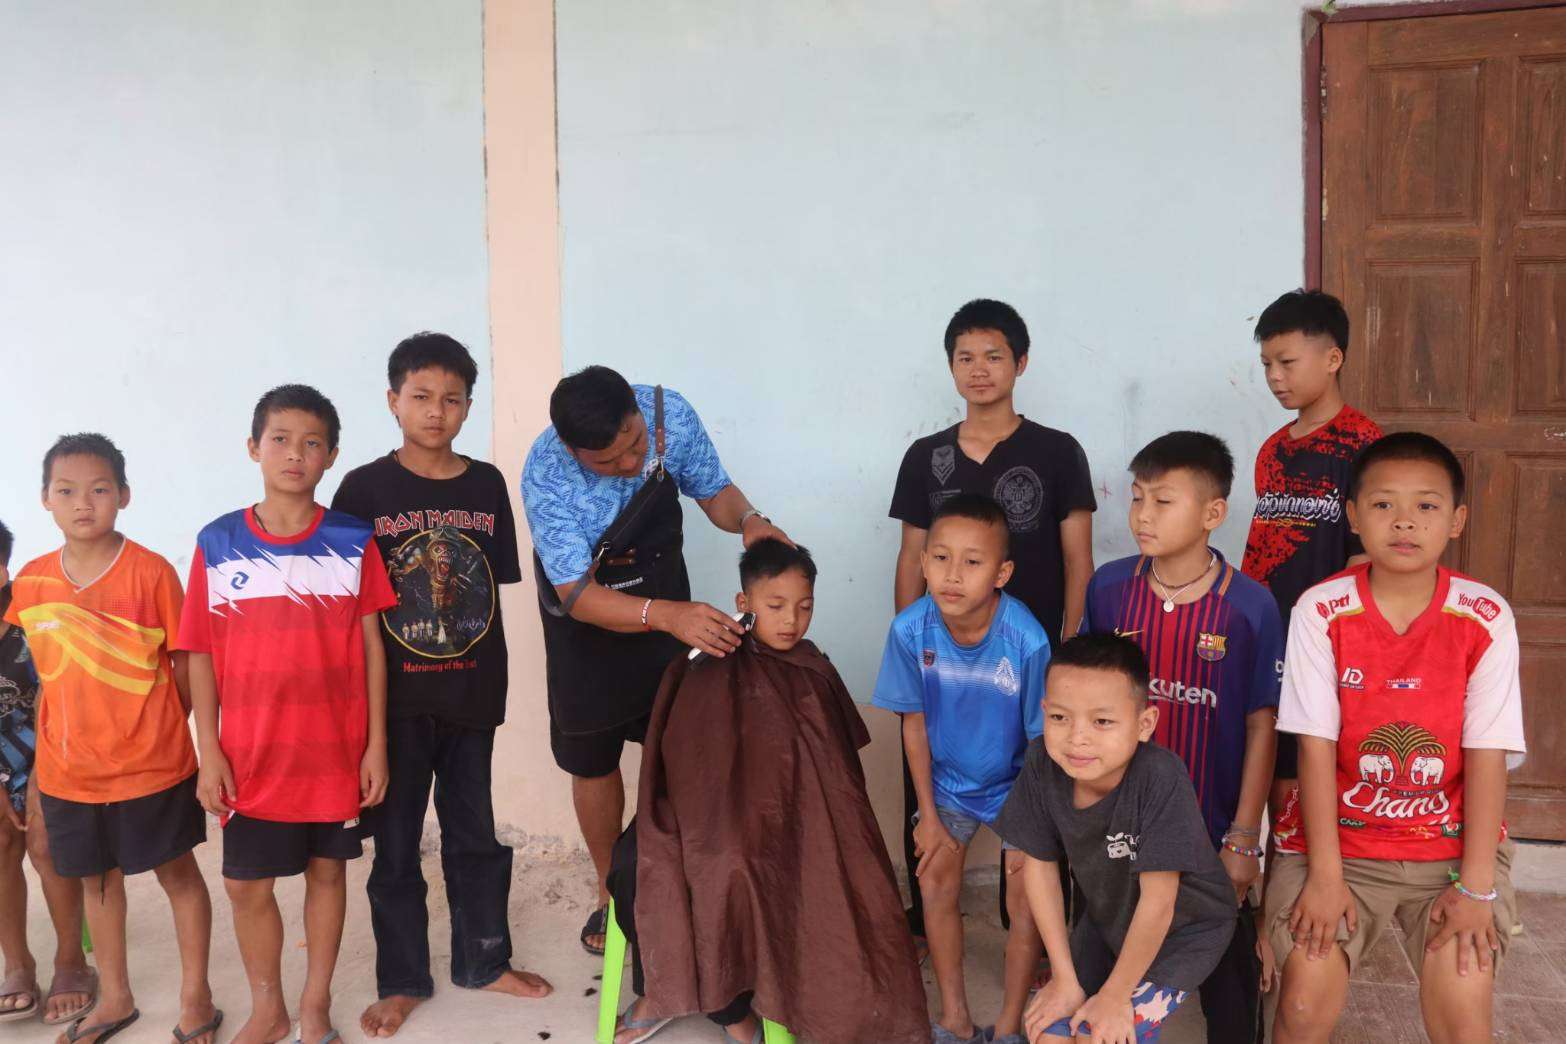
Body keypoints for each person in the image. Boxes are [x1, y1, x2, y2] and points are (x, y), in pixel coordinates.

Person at [608, 539, 929, 1044]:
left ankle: (743, 1002)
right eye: (775, 606)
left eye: (805, 607)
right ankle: (713, 1006)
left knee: (741, 870)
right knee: (635, 866)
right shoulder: (706, 660)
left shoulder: (812, 669)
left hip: (792, 821)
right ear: (744, 603)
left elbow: (835, 778)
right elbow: (684, 758)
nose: (791, 621)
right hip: (698, 811)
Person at [520, 365, 792, 955]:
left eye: (635, 446)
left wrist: (749, 521)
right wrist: (668, 615)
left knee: (678, 749)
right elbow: (576, 594)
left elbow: (714, 490)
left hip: (666, 603)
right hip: (587, 626)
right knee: (592, 760)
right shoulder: (545, 473)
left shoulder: (670, 417)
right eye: (607, 462)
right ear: (571, 450)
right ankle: (609, 888)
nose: (628, 466)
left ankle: (675, 877)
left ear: (638, 415)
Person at [1266, 432, 1527, 1044]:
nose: (1404, 522)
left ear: (1457, 520)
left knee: (1466, 1014)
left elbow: (1487, 756)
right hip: (1338, 846)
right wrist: (1326, 879)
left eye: (1427, 506)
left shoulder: (1484, 616)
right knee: (1303, 1004)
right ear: (1354, 517)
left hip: (1450, 849)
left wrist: (1477, 885)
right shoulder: (1320, 610)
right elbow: (1315, 748)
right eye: (1383, 505)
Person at [330, 333, 552, 1038]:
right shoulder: (363, 490)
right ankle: (401, 980)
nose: (436, 412)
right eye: (421, 397)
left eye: (452, 400)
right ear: (393, 401)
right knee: (395, 846)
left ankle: (485, 961)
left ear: (467, 407)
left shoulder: (485, 484)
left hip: (471, 692)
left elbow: (488, 585)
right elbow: (344, 601)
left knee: (474, 836)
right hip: (391, 704)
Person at [177, 386, 397, 1044]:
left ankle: (314, 1007)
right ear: (253, 448)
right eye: (279, 439)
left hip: (332, 753)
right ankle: (268, 1008)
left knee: (328, 873)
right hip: (251, 755)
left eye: (311, 443)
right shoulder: (218, 543)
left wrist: (375, 745)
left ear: (331, 456)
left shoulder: (352, 541)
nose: (294, 454)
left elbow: (373, 650)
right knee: (247, 886)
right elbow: (199, 654)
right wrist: (208, 750)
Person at [889, 298, 1096, 949]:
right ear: (950, 367)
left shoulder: (1058, 452)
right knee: (925, 787)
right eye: (964, 358)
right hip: (945, 663)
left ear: (1021, 363)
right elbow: (909, 556)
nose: (979, 370)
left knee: (1042, 794)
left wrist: (1071, 652)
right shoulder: (927, 457)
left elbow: (1078, 558)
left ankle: (1033, 930)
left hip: (1028, 661)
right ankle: (925, 923)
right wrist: (909, 643)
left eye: (994, 356)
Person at [6, 434, 220, 1044]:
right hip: (71, 770)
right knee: (99, 880)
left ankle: (195, 998)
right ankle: (117, 998)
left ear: (123, 496)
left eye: (99, 490)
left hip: (152, 765)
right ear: (45, 500)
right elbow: (42, 674)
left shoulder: (151, 572)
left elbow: (186, 668)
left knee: (178, 876)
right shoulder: (32, 581)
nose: (83, 504)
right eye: (66, 491)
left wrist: (158, 733)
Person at [1078, 431, 1283, 1042]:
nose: (1142, 515)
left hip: (1210, 831)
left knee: (1228, 991)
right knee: (1099, 979)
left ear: (1213, 513)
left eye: (1162, 501)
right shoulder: (1110, 588)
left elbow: (1260, 723)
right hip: (1117, 824)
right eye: (1137, 498)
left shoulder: (1250, 607)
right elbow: (1088, 701)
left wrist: (1245, 837)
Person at [995, 633, 1237, 1044]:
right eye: (1060, 718)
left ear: (1145, 724)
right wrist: (1064, 979)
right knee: (1049, 1034)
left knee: (1103, 1034)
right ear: (1044, 712)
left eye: (1102, 721)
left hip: (1185, 931)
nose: (1077, 738)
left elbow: (1159, 904)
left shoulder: (1160, 777)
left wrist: (1114, 994)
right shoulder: (1042, 762)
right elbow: (1039, 869)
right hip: (1109, 919)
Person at [872, 493, 1048, 1044]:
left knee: (1027, 901)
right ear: (922, 563)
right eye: (940, 558)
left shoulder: (1027, 638)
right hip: (947, 786)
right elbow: (914, 726)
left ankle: (1013, 1023)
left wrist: (1032, 830)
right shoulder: (909, 631)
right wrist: (927, 814)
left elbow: (1044, 740)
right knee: (936, 886)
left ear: (1002, 573)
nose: (953, 575)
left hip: (1020, 784)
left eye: (972, 562)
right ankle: (955, 1016)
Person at [1240, 290, 1381, 837]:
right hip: (1265, 628)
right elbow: (1261, 543)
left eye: (1287, 363)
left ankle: (1302, 888)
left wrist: (1334, 627)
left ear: (1333, 358)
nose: (1275, 377)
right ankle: (1261, 885)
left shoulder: (1363, 446)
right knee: (1264, 750)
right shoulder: (1272, 449)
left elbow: (1367, 552)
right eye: (1267, 366)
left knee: (1308, 763)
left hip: (1325, 637)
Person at [0, 516, 96, 1029]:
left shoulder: (36, 615)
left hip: (58, 745)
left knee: (43, 838)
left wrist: (38, 778)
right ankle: (17, 965)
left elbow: (64, 697)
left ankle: (71, 962)